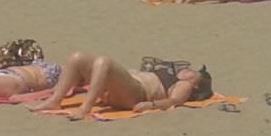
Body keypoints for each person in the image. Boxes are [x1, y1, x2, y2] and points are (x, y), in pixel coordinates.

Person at [28, 53, 213, 120]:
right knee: (77, 58)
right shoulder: (173, 74)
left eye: (194, 73)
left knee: (105, 62)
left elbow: (174, 101)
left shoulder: (185, 85)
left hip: (136, 94)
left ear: (196, 84)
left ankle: (85, 108)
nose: (190, 70)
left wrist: (151, 106)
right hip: (124, 88)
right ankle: (54, 101)